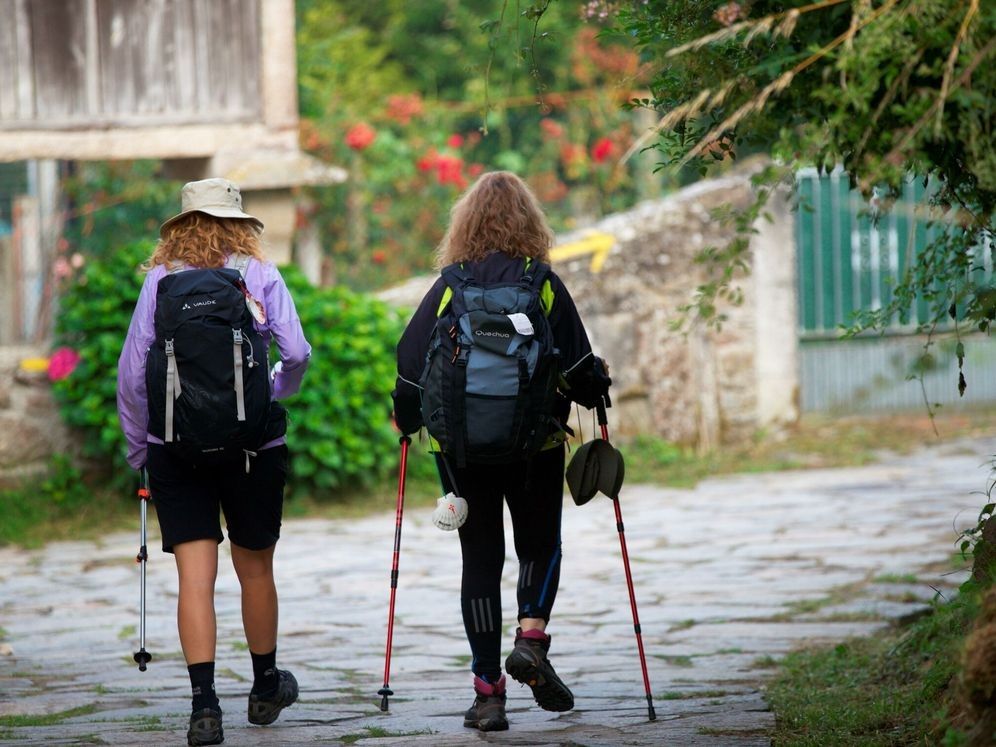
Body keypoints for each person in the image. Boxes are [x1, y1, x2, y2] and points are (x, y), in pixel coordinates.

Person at [392, 171, 611, 731]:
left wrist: (409, 419)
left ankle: (488, 692)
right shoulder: (542, 284)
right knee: (540, 544)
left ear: (464, 225)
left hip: (461, 450)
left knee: (480, 561)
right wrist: (596, 386)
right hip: (534, 442)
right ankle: (531, 639)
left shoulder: (450, 285)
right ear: (531, 225)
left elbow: (409, 360)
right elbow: (581, 368)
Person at [117, 178, 311, 746]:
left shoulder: (160, 281)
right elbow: (296, 352)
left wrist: (141, 449)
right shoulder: (259, 276)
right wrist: (273, 390)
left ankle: (205, 708)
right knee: (255, 570)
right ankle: (265, 685)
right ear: (239, 224)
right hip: (253, 448)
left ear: (180, 227)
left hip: (174, 448)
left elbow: (133, 378)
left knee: (194, 581)